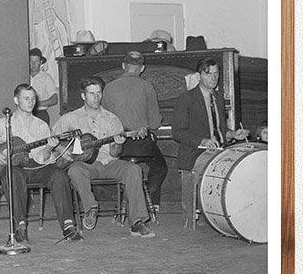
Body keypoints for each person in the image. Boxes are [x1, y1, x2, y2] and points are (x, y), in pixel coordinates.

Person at [0, 84, 81, 243]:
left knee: (59, 175)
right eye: (26, 98)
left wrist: (49, 148)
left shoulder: (41, 125)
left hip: (36, 166)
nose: (31, 102)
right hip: (15, 167)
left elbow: (42, 158)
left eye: (33, 99)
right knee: (14, 175)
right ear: (16, 100)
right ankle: (19, 226)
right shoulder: (3, 123)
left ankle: (68, 225)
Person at [53, 78, 155, 238]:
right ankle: (91, 208)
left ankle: (137, 222)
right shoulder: (70, 118)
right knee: (75, 170)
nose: (96, 97)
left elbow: (115, 153)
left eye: (99, 93)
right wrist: (61, 148)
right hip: (87, 166)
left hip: (109, 163)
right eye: (91, 93)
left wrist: (119, 144)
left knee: (134, 170)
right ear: (83, 96)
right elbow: (52, 136)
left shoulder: (112, 119)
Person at [173, 57, 249, 226]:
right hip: (195, 153)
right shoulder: (186, 99)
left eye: (216, 74)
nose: (214, 78)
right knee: (226, 169)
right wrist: (202, 141)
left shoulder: (219, 98)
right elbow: (177, 132)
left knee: (240, 165)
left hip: (218, 150)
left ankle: (235, 215)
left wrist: (232, 134)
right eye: (208, 74)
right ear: (199, 75)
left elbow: (219, 131)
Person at [103, 50, 168, 209]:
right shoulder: (147, 87)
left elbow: (103, 120)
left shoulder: (108, 87)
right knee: (160, 167)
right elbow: (155, 123)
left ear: (123, 65)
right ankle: (146, 199)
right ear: (143, 68)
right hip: (139, 143)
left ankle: (130, 198)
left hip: (116, 145)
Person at [28, 47, 58, 124]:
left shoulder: (46, 78)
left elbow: (54, 100)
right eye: (31, 61)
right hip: (25, 113)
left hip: (40, 114)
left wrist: (37, 103)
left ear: (41, 62)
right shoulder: (24, 76)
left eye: (36, 61)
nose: (33, 64)